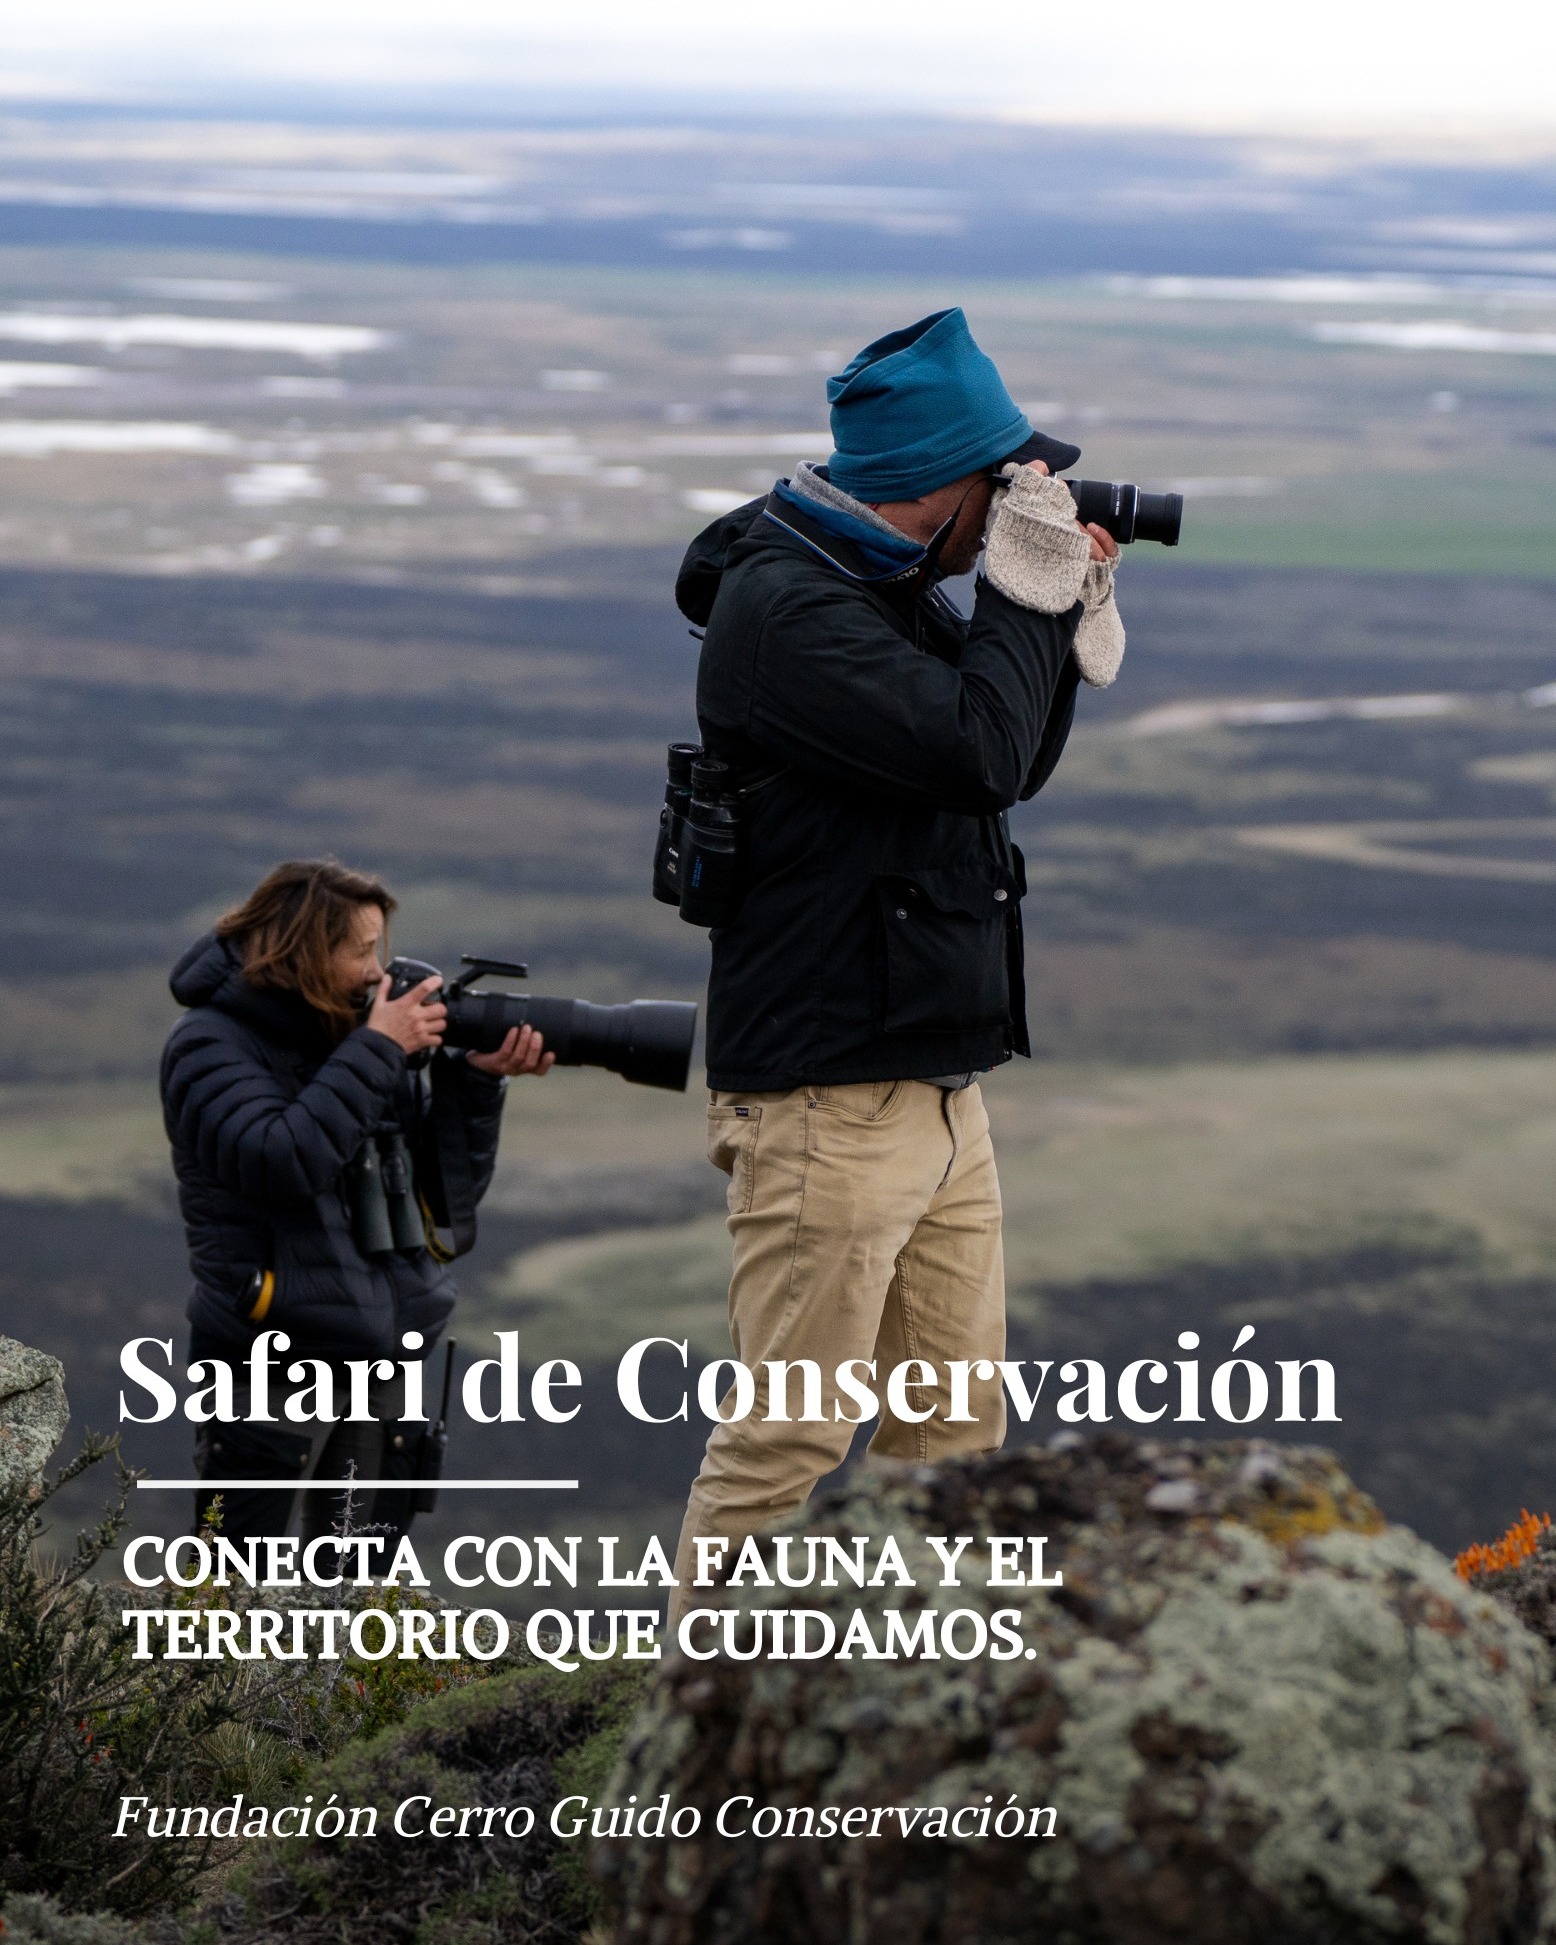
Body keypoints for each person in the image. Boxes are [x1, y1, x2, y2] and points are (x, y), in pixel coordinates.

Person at [669, 308, 1125, 1618]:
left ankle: (917, 1710)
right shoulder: (788, 612)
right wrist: (1022, 602)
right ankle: (691, 1760)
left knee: (952, 1434)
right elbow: (978, 752)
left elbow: (1004, 770)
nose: (1026, 499)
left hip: (930, 1079)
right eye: (1008, 484)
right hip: (825, 1095)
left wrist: (1054, 604)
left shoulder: (880, 589)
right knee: (792, 1438)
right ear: (942, 483)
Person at [160, 858, 553, 1544]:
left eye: (381, 948)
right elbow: (279, 1159)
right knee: (239, 1589)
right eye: (361, 950)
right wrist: (378, 1049)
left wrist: (475, 1085)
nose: (380, 971)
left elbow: (434, 1197)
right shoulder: (208, 1046)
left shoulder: (354, 1034)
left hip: (382, 1355)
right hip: (272, 1358)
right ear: (307, 952)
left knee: (358, 1593)